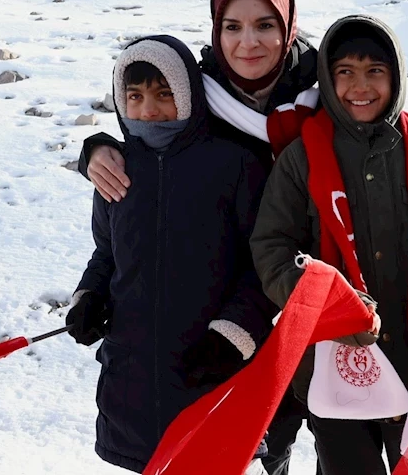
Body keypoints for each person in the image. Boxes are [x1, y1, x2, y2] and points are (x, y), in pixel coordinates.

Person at [75, 0, 408, 475]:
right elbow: (149, 127)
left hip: (331, 308)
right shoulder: (199, 96)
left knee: (324, 435)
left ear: (288, 24)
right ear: (216, 30)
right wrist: (96, 149)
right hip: (233, 306)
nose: (248, 42)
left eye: (265, 24)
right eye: (232, 26)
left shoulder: (327, 87)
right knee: (264, 444)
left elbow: (394, 137)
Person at [249, 14, 408, 475]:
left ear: (396, 77)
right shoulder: (304, 157)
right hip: (332, 367)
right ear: (328, 78)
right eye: (345, 72)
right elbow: (273, 249)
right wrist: (330, 305)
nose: (360, 86)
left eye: (375, 71)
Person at [66, 35, 276, 475]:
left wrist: (232, 336)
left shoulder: (234, 164)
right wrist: (88, 296)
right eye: (135, 96)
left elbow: (262, 266)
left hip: (212, 369)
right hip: (133, 380)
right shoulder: (116, 167)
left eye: (164, 95)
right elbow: (107, 251)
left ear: (189, 95)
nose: (148, 110)